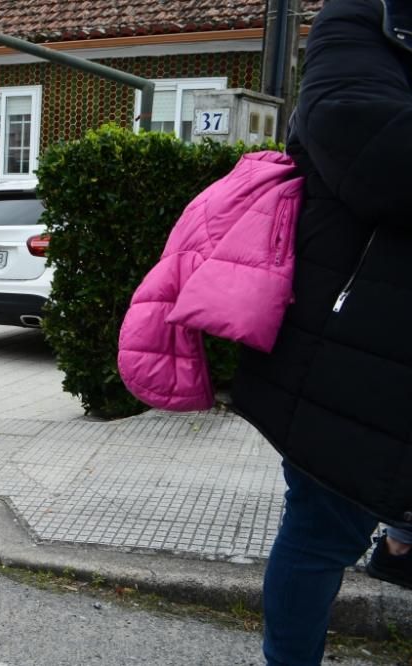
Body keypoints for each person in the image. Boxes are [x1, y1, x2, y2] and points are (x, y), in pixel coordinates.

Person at [231, 0, 412, 663]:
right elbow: (374, 155)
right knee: (320, 530)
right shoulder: (366, 17)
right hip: (360, 351)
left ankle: (396, 541)